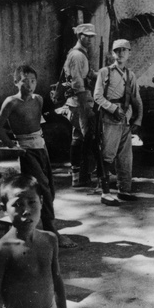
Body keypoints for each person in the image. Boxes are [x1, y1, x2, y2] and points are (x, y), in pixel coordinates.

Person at [0, 64, 77, 249]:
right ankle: (51, 230)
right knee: (43, 187)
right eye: (25, 81)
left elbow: (46, 114)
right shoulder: (11, 102)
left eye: (33, 81)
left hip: (41, 146)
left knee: (50, 189)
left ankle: (41, 226)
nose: (30, 85)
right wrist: (12, 146)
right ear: (16, 82)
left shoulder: (38, 99)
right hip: (26, 150)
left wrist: (61, 99)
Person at [0, 174, 70, 308]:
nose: (26, 211)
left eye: (32, 202)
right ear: (3, 207)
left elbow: (57, 281)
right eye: (17, 204)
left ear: (42, 202)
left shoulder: (50, 240)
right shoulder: (1, 251)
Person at [93, 39, 143, 206]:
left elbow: (137, 99)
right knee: (107, 155)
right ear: (112, 53)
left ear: (129, 53)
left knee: (125, 157)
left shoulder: (130, 75)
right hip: (109, 119)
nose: (120, 53)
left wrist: (138, 118)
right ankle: (105, 192)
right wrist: (113, 109)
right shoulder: (104, 72)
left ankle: (124, 190)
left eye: (124, 50)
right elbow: (98, 96)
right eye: (117, 50)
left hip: (125, 121)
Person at [61, 24, 98, 187]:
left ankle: (78, 175)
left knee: (79, 137)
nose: (89, 39)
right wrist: (85, 107)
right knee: (88, 137)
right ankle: (82, 175)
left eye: (91, 36)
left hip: (79, 101)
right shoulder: (77, 55)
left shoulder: (81, 54)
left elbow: (87, 74)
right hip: (80, 101)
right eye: (86, 36)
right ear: (79, 36)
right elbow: (77, 81)